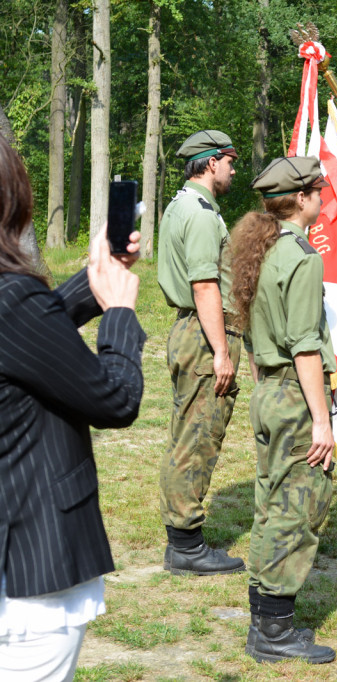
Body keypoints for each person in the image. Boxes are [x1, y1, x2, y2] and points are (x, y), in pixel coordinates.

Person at [0, 136, 145, 680]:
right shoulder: (12, 298)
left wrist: (90, 283)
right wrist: (120, 316)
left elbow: (26, 340)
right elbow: (114, 398)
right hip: (32, 575)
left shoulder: (14, 306)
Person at [230, 156, 336, 664]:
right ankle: (274, 630)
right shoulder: (301, 256)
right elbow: (305, 346)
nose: (323, 194)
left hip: (269, 391)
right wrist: (321, 419)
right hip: (294, 394)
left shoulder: (263, 249)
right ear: (302, 197)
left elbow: (254, 337)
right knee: (299, 508)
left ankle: (263, 616)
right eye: (318, 187)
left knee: (271, 502)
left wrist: (265, 388)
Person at [157, 129, 245, 576]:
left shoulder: (180, 206)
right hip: (205, 332)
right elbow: (204, 284)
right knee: (198, 436)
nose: (233, 168)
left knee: (185, 432)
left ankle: (181, 537)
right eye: (229, 160)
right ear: (211, 163)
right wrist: (221, 352)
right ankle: (187, 545)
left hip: (189, 329)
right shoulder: (201, 214)